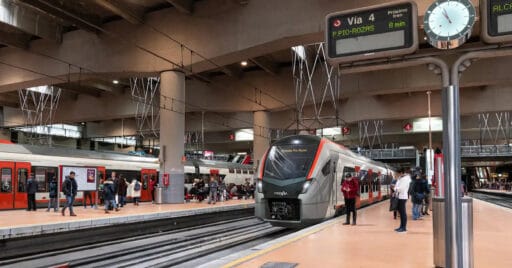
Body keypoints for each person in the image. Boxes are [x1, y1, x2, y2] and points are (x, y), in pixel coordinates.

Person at [394, 168, 412, 233]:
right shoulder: (401, 178)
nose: (396, 174)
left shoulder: (405, 179)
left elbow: (401, 188)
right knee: (401, 213)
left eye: (397, 173)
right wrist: (396, 188)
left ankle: (403, 227)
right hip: (399, 196)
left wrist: (396, 188)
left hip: (402, 197)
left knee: (403, 212)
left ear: (401, 173)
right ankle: (401, 226)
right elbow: (397, 186)